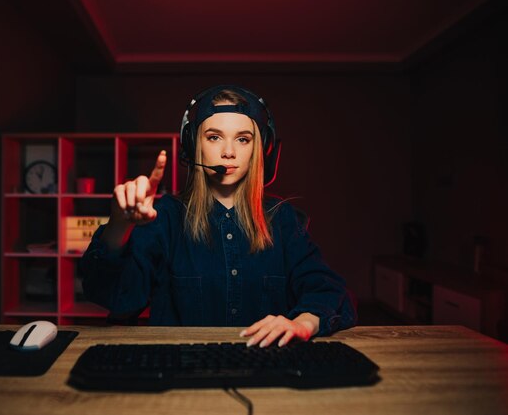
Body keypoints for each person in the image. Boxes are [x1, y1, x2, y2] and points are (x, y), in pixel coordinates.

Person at [81, 85, 357, 347]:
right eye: (214, 137)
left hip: (265, 371)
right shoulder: (165, 217)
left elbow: (332, 293)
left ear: (260, 149)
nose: (228, 152)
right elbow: (117, 298)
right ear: (193, 146)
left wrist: (304, 323)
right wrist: (119, 224)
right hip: (182, 375)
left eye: (243, 139)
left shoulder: (282, 219)